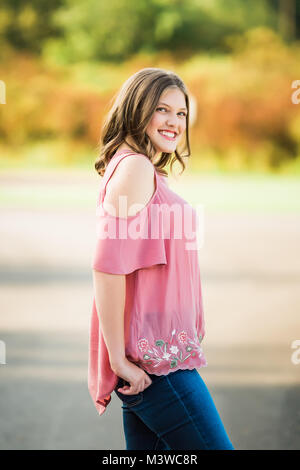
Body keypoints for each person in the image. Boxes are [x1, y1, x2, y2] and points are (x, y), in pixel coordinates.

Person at [88, 67, 235, 450]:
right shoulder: (135, 168)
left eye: (181, 113)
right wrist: (119, 362)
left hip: (156, 360)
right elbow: (107, 269)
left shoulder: (141, 168)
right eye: (162, 110)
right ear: (138, 110)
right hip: (156, 365)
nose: (174, 122)